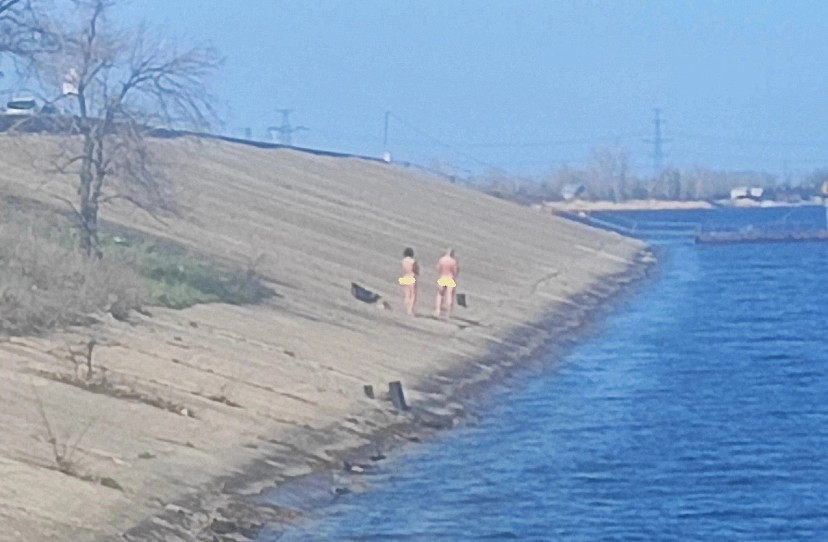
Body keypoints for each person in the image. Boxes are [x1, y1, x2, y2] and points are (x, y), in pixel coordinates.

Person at [434, 248, 459, 318]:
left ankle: (438, 310)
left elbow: (438, 268)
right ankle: (449, 312)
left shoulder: (442, 259)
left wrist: (440, 273)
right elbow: (455, 271)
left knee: (440, 294)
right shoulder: (453, 261)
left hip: (443, 277)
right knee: (450, 295)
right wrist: (455, 277)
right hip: (450, 278)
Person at [398, 247, 420, 316]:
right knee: (413, 294)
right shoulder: (413, 261)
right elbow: (416, 269)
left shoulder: (403, 261)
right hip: (411, 277)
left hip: (405, 276)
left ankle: (407, 309)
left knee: (407, 294)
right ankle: (410, 310)